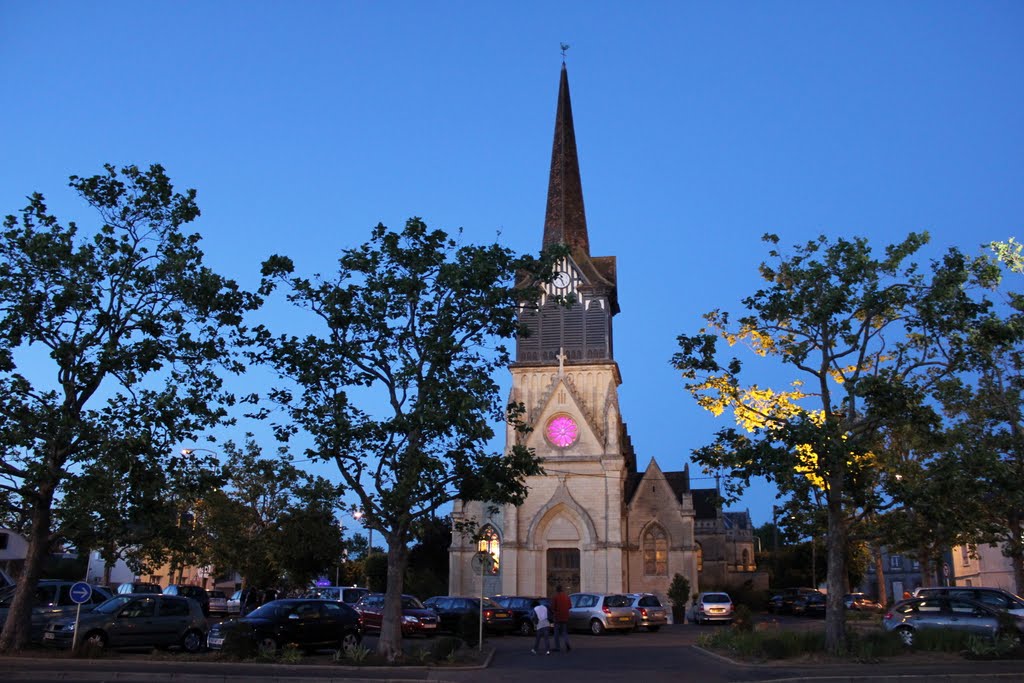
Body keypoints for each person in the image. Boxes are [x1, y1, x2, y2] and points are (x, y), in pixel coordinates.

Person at [551, 584, 571, 652]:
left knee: (556, 633)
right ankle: (567, 643)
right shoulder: (567, 597)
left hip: (557, 617)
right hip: (565, 616)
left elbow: (553, 608)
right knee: (564, 632)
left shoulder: (555, 597)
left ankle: (557, 647)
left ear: (557, 590)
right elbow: (570, 606)